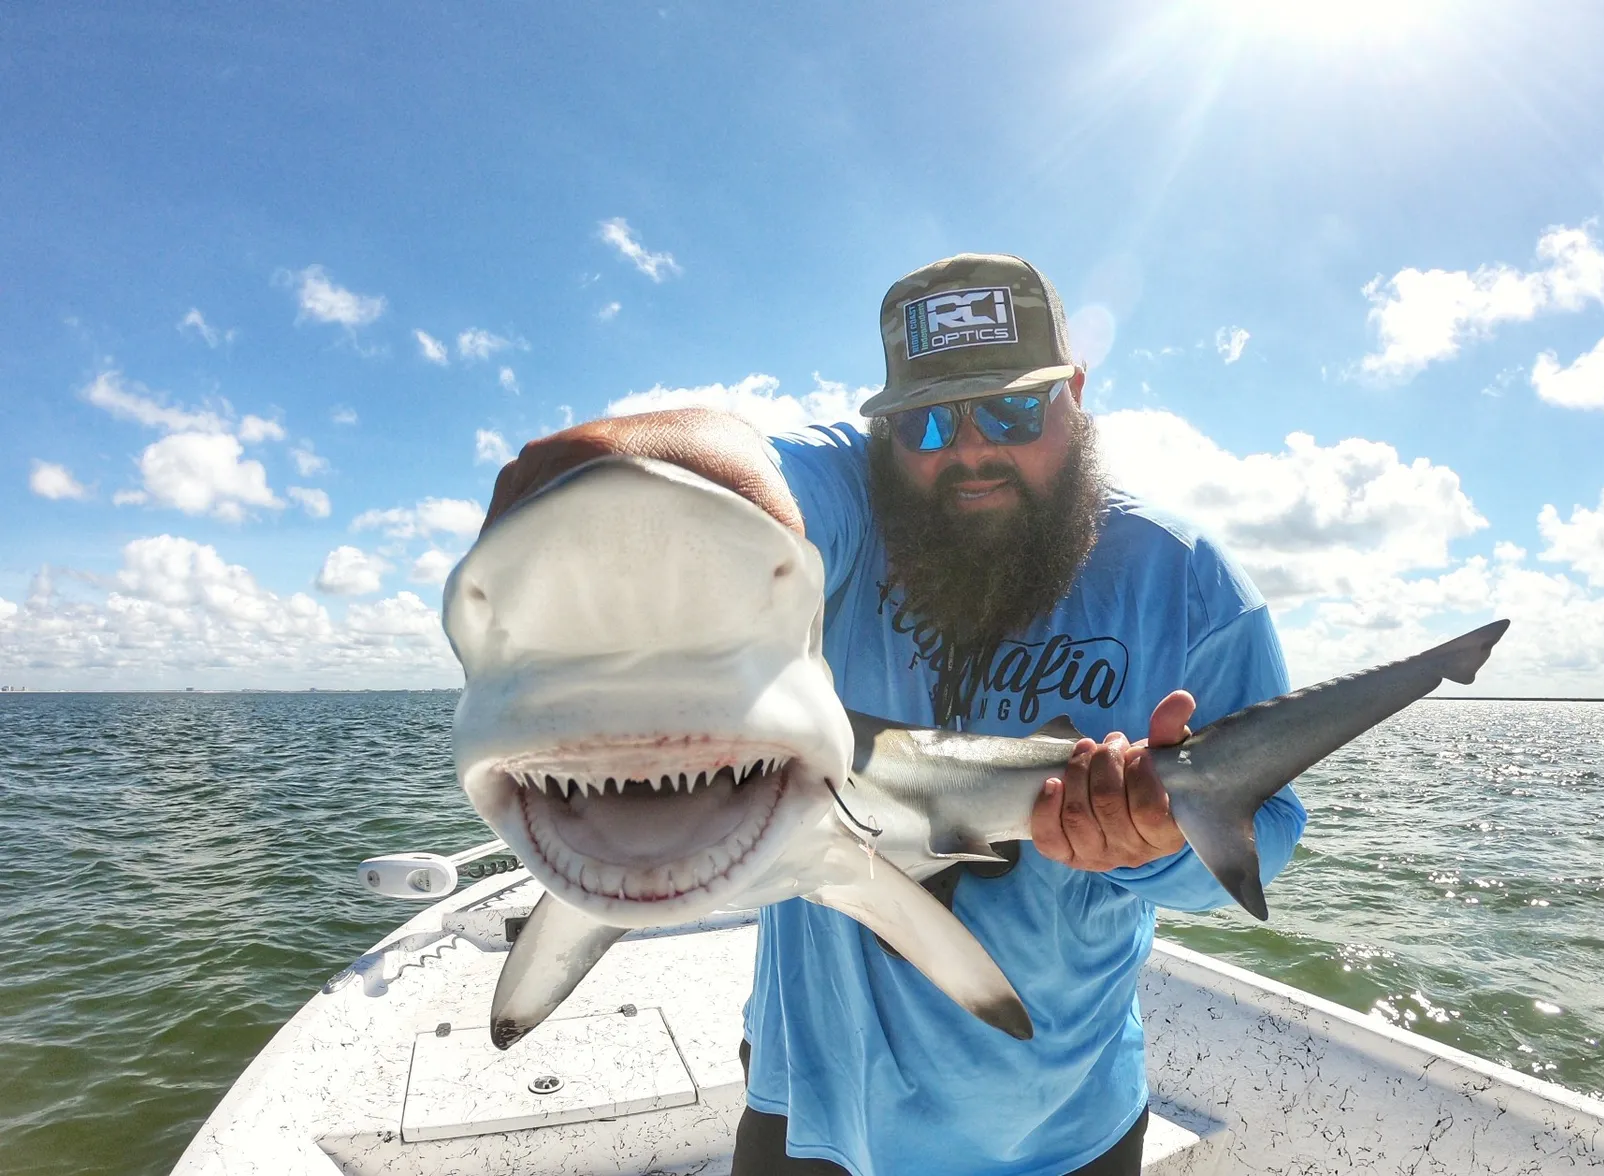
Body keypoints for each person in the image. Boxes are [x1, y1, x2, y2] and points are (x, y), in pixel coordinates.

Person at [485, 254, 1308, 1176]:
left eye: (1011, 409)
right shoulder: (852, 499)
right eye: (922, 423)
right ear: (881, 428)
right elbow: (756, 474)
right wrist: (611, 473)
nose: (968, 451)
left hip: (1058, 1124)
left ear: (1075, 394)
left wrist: (1154, 850)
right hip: (809, 1103)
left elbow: (1265, 837)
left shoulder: (1187, 583)